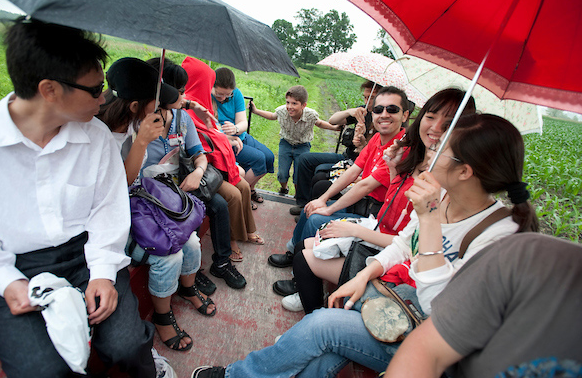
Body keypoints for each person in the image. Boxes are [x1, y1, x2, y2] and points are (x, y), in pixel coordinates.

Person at [190, 113, 539, 378]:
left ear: (465, 172)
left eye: (440, 150)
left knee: (323, 325)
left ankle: (235, 375)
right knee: (325, 351)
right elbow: (403, 246)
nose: (429, 154)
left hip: (429, 341)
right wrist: (366, 274)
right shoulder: (444, 197)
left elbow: (442, 309)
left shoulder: (499, 235)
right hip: (395, 297)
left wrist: (430, 220)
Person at [0, 17, 155, 377]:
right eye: (95, 90)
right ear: (50, 90)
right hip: (11, 262)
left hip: (85, 253)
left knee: (127, 344)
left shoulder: (96, 138)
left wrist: (104, 273)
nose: (105, 97)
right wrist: (3, 279)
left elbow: (108, 208)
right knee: (42, 369)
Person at [287, 88, 478, 312]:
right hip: (380, 231)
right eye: (431, 117)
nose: (436, 128)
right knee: (308, 234)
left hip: (391, 253)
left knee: (315, 224)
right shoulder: (408, 155)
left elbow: (408, 243)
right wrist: (392, 168)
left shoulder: (444, 184)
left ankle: (317, 307)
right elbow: (372, 183)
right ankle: (309, 285)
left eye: (449, 123)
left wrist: (345, 223)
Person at [97, 57, 220, 352]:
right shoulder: (108, 136)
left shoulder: (132, 126)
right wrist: (141, 143)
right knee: (170, 257)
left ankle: (188, 289)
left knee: (189, 240)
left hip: (139, 205)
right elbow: (118, 188)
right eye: (158, 104)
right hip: (114, 219)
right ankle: (163, 318)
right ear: (136, 106)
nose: (163, 111)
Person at [268, 86, 412, 297]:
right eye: (379, 109)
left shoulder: (400, 148)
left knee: (317, 217)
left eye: (392, 109)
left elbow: (365, 184)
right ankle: (294, 252)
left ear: (405, 115)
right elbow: (354, 170)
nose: (384, 114)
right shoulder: (377, 139)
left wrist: (328, 208)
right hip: (364, 203)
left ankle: (302, 279)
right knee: (316, 201)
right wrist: (324, 200)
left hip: (374, 213)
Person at [385, 233, 582, 378]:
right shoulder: (530, 257)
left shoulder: (499, 236)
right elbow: (426, 349)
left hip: (417, 314)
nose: (424, 177)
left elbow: (432, 303)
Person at [144, 58, 247, 287]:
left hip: (180, 183)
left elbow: (198, 153)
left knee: (219, 205)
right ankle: (191, 269)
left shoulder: (182, 117)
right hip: (150, 191)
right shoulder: (139, 122)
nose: (185, 97)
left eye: (184, 91)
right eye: (180, 92)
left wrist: (198, 172)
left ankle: (221, 263)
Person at [182, 57, 265, 258]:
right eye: (210, 85)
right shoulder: (187, 110)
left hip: (212, 163)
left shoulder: (201, 106)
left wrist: (227, 138)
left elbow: (210, 134)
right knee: (234, 194)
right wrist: (225, 140)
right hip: (200, 168)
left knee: (244, 185)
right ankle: (231, 238)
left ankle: (246, 230)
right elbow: (199, 144)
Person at [291, 80, 376, 213]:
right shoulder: (364, 112)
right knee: (305, 159)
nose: (367, 101)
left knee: (319, 174)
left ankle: (312, 208)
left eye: (371, 98)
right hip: (346, 156)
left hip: (356, 163)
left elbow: (371, 155)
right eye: (365, 97)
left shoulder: (380, 123)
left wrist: (363, 142)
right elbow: (333, 120)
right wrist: (351, 111)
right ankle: (303, 203)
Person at [250, 85, 340, 195]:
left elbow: (320, 123)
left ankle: (299, 194)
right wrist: (255, 111)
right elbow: (272, 116)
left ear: (303, 105)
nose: (289, 106)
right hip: (286, 143)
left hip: (303, 146)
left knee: (299, 175)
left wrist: (334, 128)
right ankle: (284, 188)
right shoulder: (282, 111)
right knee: (282, 173)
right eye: (288, 102)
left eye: (294, 103)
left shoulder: (311, 115)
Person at [212, 67, 275, 207]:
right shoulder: (207, 97)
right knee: (259, 159)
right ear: (212, 86)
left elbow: (242, 122)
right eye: (219, 94)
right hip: (225, 141)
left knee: (269, 157)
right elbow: (210, 129)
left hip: (239, 136)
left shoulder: (236, 94)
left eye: (227, 95)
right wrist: (224, 132)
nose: (223, 98)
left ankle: (249, 189)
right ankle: (242, 195)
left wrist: (235, 128)